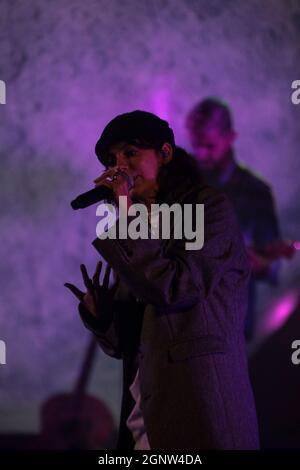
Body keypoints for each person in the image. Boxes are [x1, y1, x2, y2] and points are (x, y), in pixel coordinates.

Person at [65, 110, 259, 450]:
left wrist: (124, 210)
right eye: (112, 159)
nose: (119, 167)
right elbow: (132, 343)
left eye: (130, 153)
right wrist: (102, 318)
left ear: (165, 153)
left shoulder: (209, 207)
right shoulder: (137, 226)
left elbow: (176, 289)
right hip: (143, 423)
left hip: (199, 414)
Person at [185, 98, 281, 341]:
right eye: (196, 145)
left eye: (209, 145)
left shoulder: (255, 193)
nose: (201, 153)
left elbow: (273, 263)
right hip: (185, 320)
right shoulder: (180, 184)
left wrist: (258, 263)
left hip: (229, 326)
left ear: (230, 137)